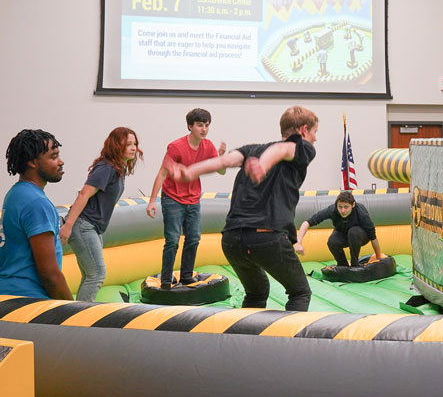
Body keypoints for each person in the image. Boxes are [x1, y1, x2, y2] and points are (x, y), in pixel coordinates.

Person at [166, 106, 318, 312]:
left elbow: (223, 161)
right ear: (304, 130)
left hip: (231, 240)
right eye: (314, 132)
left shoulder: (250, 150)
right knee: (300, 292)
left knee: (256, 292)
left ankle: (245, 340)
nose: (315, 138)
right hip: (268, 237)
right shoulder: (302, 147)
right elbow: (283, 149)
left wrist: (189, 172)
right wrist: (263, 166)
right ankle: (289, 343)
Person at [146, 108, 226, 290]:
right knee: (173, 240)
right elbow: (162, 173)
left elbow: (220, 171)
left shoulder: (208, 146)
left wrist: (221, 158)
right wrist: (152, 201)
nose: (204, 129)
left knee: (194, 238)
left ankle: (186, 276)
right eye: (199, 125)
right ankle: (166, 280)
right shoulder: (176, 147)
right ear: (190, 126)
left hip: (193, 199)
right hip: (173, 198)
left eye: (206, 125)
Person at [59, 128, 142, 302]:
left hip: (93, 227)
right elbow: (83, 194)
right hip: (84, 224)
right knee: (97, 274)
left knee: (90, 275)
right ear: (116, 145)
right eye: (128, 144)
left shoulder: (118, 169)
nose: (133, 148)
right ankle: (81, 317)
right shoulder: (107, 168)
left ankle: (79, 311)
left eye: (135, 144)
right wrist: (68, 225)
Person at [0, 130, 72, 300]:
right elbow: (49, 275)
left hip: (8, 296)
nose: (61, 162)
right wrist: (73, 311)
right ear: (33, 162)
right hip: (28, 300)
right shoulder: (36, 203)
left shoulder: (15, 194)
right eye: (53, 157)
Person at [294, 190, 384, 267]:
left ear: (353, 205)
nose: (343, 211)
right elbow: (307, 222)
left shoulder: (361, 214)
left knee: (353, 232)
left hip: (361, 236)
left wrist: (378, 257)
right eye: (340, 207)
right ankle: (343, 265)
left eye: (346, 207)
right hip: (343, 233)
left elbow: (373, 238)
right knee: (332, 241)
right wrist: (299, 242)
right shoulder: (332, 210)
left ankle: (354, 263)